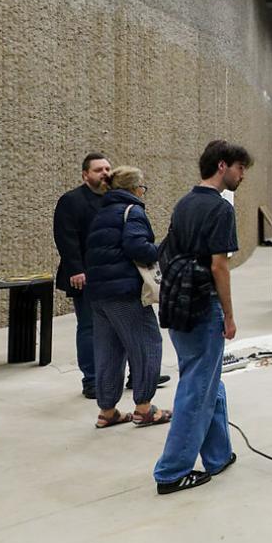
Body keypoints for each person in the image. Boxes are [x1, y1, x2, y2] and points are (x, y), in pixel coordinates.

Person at [152, 141, 251, 494]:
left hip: (179, 305)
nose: (242, 175)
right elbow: (219, 266)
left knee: (208, 380)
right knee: (197, 388)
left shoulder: (184, 204)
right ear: (222, 166)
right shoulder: (220, 209)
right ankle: (172, 471)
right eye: (240, 168)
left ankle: (218, 455)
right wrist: (228, 314)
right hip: (202, 305)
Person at [83, 166, 170, 429]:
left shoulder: (102, 212)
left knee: (108, 351)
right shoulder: (132, 211)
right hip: (125, 292)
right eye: (142, 188)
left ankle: (107, 411)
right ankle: (144, 408)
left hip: (99, 295)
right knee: (147, 343)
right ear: (134, 189)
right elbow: (136, 247)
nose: (143, 193)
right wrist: (161, 248)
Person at [54, 153, 110, 398]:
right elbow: (66, 237)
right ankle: (92, 380)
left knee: (120, 326)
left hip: (111, 274)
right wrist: (76, 269)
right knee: (89, 326)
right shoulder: (72, 201)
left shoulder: (113, 199)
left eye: (108, 168)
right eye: (98, 170)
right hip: (86, 275)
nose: (105, 173)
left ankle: (132, 375)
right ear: (85, 174)